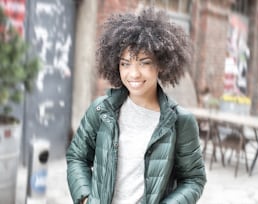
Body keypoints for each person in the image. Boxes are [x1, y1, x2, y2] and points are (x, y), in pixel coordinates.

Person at [66, 7, 206, 204]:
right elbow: (77, 157)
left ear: (161, 64)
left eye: (144, 62)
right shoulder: (100, 110)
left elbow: (194, 179)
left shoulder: (180, 122)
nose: (133, 74)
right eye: (125, 63)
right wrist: (86, 198)